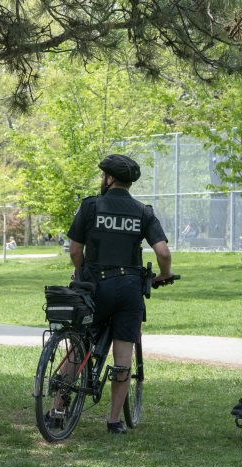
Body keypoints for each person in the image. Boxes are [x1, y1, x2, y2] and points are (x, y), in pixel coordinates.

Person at [66, 154, 174, 434]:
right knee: (123, 354)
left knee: (78, 344)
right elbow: (162, 251)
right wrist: (164, 274)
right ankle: (114, 421)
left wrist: (81, 273)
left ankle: (56, 408)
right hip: (128, 289)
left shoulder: (91, 206)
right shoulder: (142, 211)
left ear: (109, 178)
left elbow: (75, 250)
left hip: (95, 286)